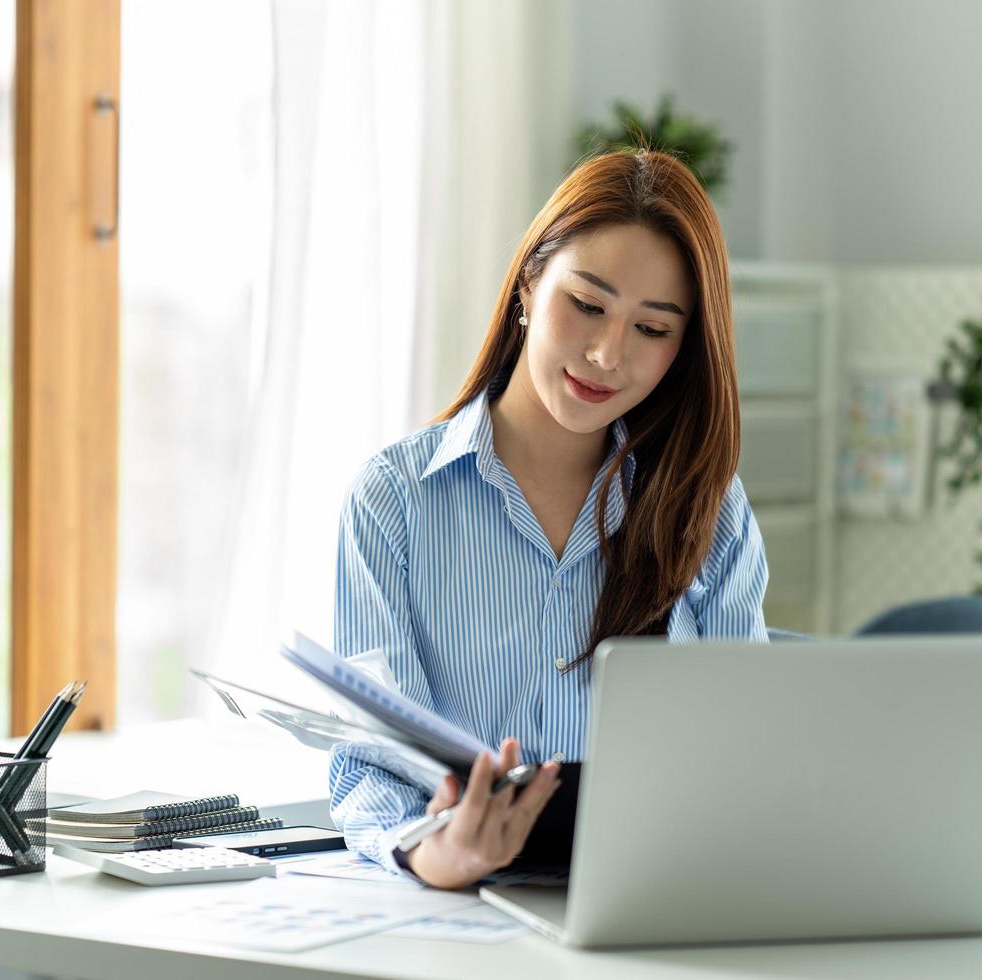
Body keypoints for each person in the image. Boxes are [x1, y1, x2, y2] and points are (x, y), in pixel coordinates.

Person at [328, 147, 769, 889]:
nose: (606, 354)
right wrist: (436, 854)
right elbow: (370, 763)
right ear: (529, 282)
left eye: (653, 330)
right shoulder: (395, 499)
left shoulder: (710, 510)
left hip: (660, 905)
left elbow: (748, 760)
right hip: (457, 915)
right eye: (588, 305)